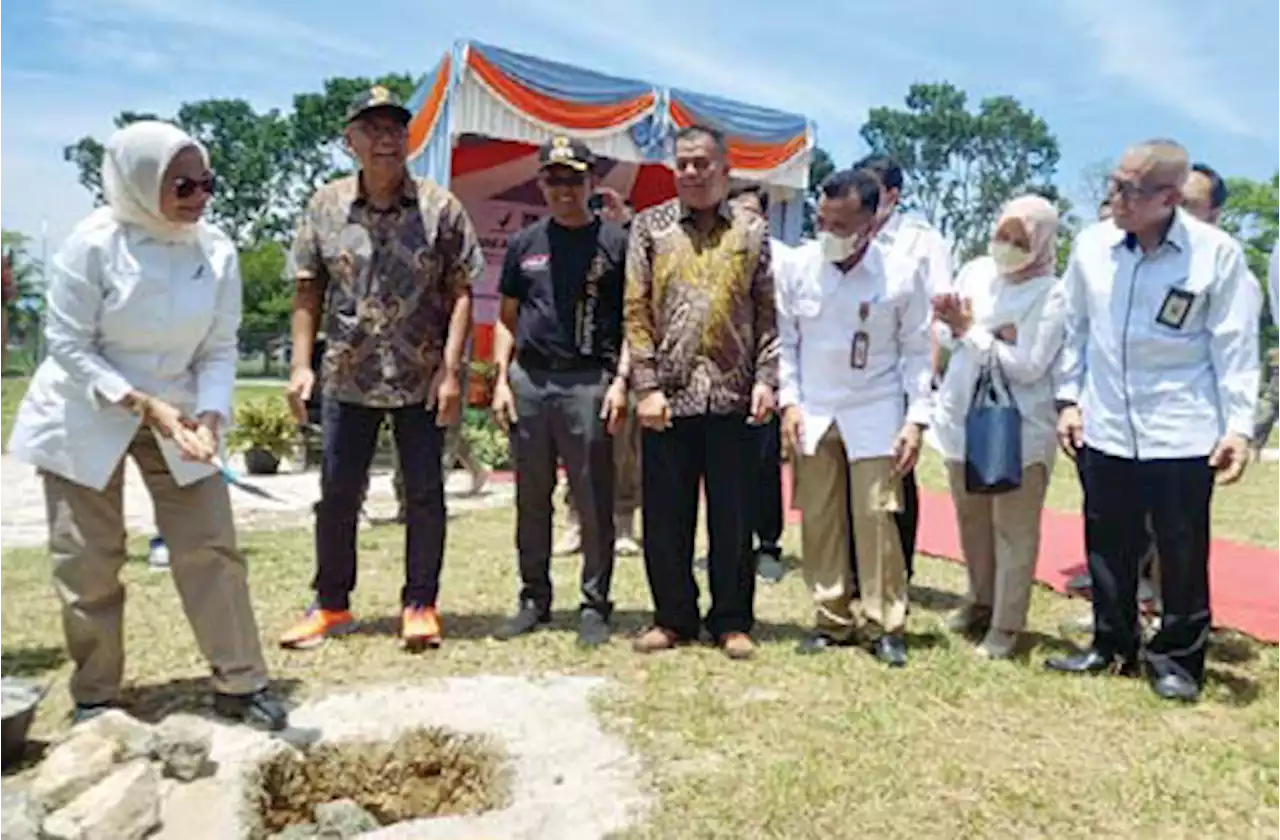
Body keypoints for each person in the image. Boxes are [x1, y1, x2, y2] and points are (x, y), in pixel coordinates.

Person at [5, 121, 287, 730]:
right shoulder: (92, 244)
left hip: (181, 413)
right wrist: (141, 404)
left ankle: (241, 681)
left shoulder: (216, 251)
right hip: (87, 407)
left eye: (206, 182)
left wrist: (210, 414)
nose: (199, 196)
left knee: (211, 545)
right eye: (182, 184)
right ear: (137, 183)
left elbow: (219, 347)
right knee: (88, 561)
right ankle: (97, 696)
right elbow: (68, 344)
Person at [1047, 139, 1260, 703]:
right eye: (1113, 185)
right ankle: (1110, 643)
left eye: (1130, 190)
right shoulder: (1092, 247)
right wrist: (1069, 399)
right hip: (1108, 422)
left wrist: (1237, 426)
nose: (1116, 198)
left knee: (1182, 551)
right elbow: (1076, 330)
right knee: (1107, 543)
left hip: (1182, 427)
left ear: (1169, 197)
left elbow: (1235, 345)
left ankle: (1178, 660)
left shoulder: (1216, 255)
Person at [279, 86, 481, 652]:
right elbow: (306, 287)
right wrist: (301, 365)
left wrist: (450, 373)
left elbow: (463, 291)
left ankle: (420, 603)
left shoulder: (442, 208)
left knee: (424, 494)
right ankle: (331, 604)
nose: (386, 138)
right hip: (347, 373)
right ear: (351, 142)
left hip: (421, 376)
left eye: (396, 127)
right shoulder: (324, 206)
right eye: (372, 128)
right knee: (338, 494)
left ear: (409, 138)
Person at [627, 125, 778, 661]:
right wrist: (644, 387)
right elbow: (636, 312)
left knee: (733, 519)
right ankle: (673, 617)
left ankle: (732, 620)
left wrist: (767, 378)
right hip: (667, 399)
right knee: (666, 517)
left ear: (725, 169)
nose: (692, 172)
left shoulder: (753, 232)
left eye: (702, 163)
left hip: (735, 398)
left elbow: (768, 315)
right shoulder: (650, 227)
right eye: (683, 163)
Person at [777, 169, 931, 666]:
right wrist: (790, 402)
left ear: (871, 222)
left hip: (875, 409)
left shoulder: (902, 273)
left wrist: (915, 420)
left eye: (841, 225)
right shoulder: (799, 265)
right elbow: (786, 344)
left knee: (877, 519)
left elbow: (916, 354)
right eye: (822, 221)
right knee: (819, 520)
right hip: (816, 410)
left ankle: (885, 623)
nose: (829, 234)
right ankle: (832, 618)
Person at [489, 137, 629, 647]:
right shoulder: (526, 244)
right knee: (531, 497)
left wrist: (621, 382)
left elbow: (637, 320)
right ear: (541, 183)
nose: (563, 189)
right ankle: (534, 598)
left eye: (573, 178)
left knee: (592, 498)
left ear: (591, 181)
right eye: (553, 179)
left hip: (588, 381)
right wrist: (501, 379)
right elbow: (506, 318)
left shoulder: (616, 243)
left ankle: (594, 603)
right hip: (530, 380)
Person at [932, 195, 1065, 659]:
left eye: (1020, 240)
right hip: (961, 418)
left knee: (1013, 528)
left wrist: (973, 332)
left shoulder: (1051, 293)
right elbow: (952, 337)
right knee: (972, 520)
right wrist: (957, 324)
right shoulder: (976, 272)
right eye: (1002, 235)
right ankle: (979, 598)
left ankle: (1007, 626)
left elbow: (1028, 364)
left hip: (1017, 429)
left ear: (1043, 242)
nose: (1006, 246)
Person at [851, 154, 953, 584]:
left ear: (893, 195)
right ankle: (853, 570)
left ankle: (898, 572)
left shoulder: (921, 241)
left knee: (896, 475)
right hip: (850, 375)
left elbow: (938, 315)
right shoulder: (848, 229)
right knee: (851, 473)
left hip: (898, 375)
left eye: (875, 189)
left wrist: (923, 390)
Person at [558, 185, 642, 557]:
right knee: (574, 450)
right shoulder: (566, 243)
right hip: (574, 365)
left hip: (621, 364)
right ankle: (574, 522)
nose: (602, 213)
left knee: (623, 451)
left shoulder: (627, 246)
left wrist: (625, 221)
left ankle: (624, 522)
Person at [726, 184, 788, 583]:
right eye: (736, 211)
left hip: (766, 376)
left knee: (764, 465)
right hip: (722, 381)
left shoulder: (785, 260)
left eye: (750, 211)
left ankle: (768, 546)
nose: (743, 219)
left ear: (764, 217)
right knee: (728, 467)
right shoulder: (719, 252)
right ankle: (732, 545)